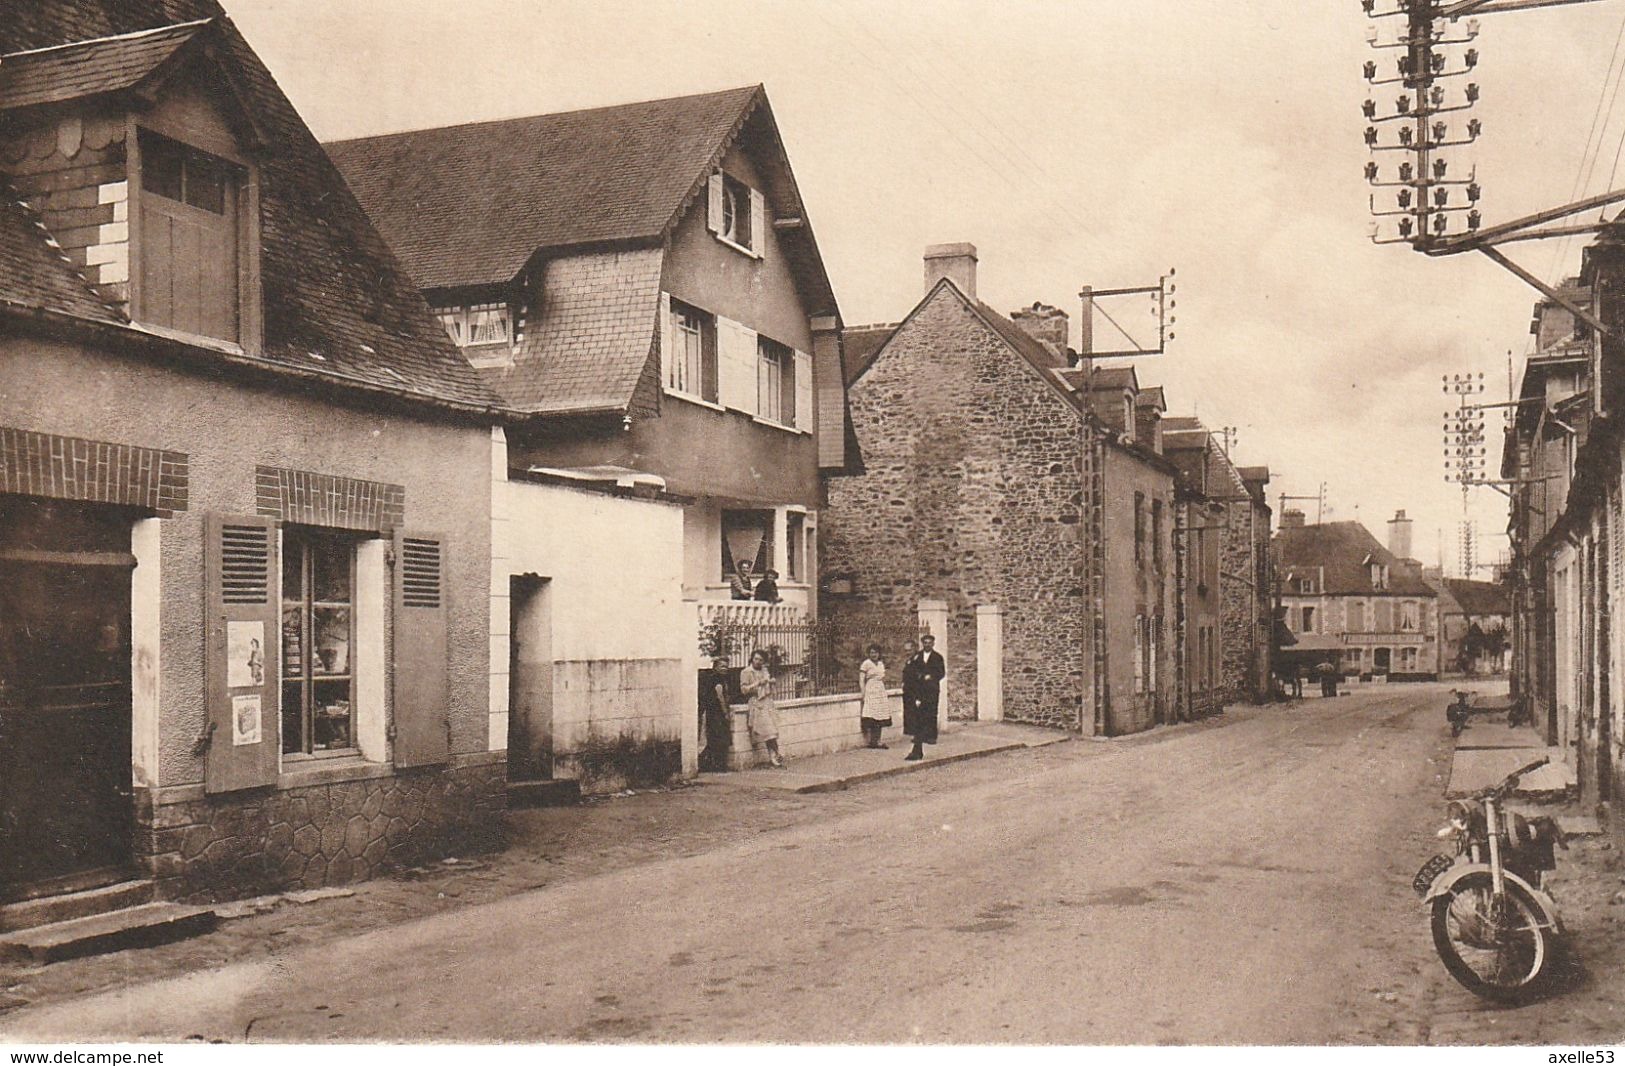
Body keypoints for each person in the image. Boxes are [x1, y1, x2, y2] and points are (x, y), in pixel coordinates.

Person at [739, 648, 783, 768]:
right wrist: (757, 683)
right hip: (756, 703)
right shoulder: (746, 672)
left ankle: (774, 756)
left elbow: (769, 687)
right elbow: (743, 690)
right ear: (752, 659)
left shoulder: (764, 670)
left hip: (767, 703)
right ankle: (775, 756)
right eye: (756, 659)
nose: (758, 662)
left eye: (761, 660)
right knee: (769, 731)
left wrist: (771, 682)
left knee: (773, 731)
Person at [903, 634, 945, 761]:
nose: (927, 644)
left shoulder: (938, 657)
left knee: (929, 715)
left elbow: (941, 673)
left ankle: (925, 740)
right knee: (918, 719)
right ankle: (918, 746)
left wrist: (930, 677)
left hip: (931, 691)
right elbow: (913, 674)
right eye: (925, 642)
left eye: (929, 642)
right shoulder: (917, 657)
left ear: (933, 643)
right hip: (919, 692)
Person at [859, 643, 891, 748]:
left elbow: (882, 677)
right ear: (869, 654)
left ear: (879, 653)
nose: (874, 655)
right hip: (871, 690)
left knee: (880, 715)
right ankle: (872, 741)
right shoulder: (866, 664)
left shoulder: (881, 664)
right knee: (872, 715)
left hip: (880, 691)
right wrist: (863, 692)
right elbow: (861, 679)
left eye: (876, 652)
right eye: (872, 652)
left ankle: (878, 741)